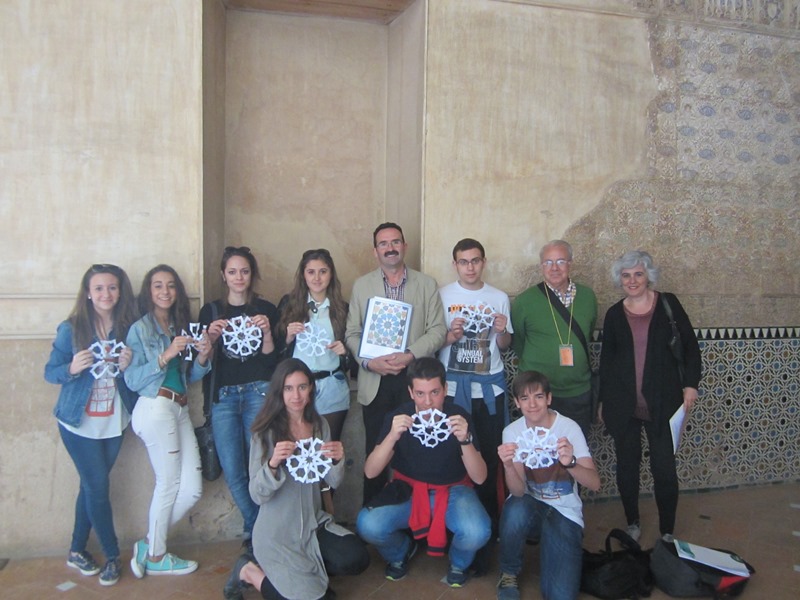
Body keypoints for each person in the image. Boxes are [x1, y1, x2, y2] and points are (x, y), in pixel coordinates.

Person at [222, 358, 369, 600]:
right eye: (288, 388)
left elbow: (332, 481)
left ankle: (307, 577)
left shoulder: (319, 425)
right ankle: (248, 571)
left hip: (313, 523)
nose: (296, 396)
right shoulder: (264, 431)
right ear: (279, 392)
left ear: (311, 388)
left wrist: (336, 460)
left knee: (357, 558)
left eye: (302, 387)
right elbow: (257, 494)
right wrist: (273, 464)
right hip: (277, 533)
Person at [356, 357, 491, 588]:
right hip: (408, 491)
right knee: (368, 525)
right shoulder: (398, 417)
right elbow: (371, 471)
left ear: (445, 389)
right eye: (420, 393)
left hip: (454, 490)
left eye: (435, 392)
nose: (428, 402)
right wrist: (392, 436)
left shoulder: (459, 417)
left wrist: (465, 440)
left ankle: (459, 563)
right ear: (410, 392)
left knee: (477, 531)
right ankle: (401, 551)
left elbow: (480, 477)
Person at [44, 264, 138, 586]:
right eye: (99, 288)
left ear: (120, 291)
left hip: (114, 421)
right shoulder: (71, 329)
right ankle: (112, 555)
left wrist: (129, 364)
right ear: (87, 292)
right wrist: (72, 367)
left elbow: (135, 375)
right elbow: (50, 372)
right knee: (98, 487)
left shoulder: (127, 329)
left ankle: (76, 550)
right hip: (77, 423)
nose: (106, 294)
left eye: (112, 287)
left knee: (90, 486)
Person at [598, 250, 701, 543]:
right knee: (627, 468)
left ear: (648, 276)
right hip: (624, 405)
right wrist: (603, 401)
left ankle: (667, 530)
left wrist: (691, 385)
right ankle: (632, 521)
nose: (632, 281)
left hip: (663, 403)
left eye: (638, 274)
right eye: (626, 275)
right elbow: (607, 362)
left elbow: (691, 348)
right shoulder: (614, 314)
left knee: (664, 470)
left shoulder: (668, 304)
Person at [345, 222, 447, 503]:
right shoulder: (362, 285)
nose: (390, 248)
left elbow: (438, 330)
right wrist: (369, 363)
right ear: (375, 251)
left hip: (414, 381)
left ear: (404, 246)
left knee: (415, 450)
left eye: (395, 242)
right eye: (383, 244)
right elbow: (351, 333)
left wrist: (411, 354)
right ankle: (373, 514)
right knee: (376, 450)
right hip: (375, 382)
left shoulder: (426, 284)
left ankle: (416, 516)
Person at [125, 265, 212, 577]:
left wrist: (204, 355)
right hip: (155, 406)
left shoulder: (180, 325)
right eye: (158, 285)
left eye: (171, 285)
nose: (165, 291)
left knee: (192, 489)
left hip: (180, 407)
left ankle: (150, 544)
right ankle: (157, 556)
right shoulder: (140, 329)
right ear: (149, 291)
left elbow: (191, 376)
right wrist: (165, 355)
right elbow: (132, 379)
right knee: (168, 483)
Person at [199, 246, 279, 550]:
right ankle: (258, 527)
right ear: (223, 275)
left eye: (244, 271)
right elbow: (201, 362)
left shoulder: (266, 309)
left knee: (259, 465)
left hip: (259, 392)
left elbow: (272, 363)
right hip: (223, 397)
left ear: (252, 274)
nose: (239, 277)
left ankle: (256, 533)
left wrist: (267, 333)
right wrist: (211, 338)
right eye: (232, 272)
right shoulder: (210, 311)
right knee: (233, 469)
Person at [438, 238, 512, 567]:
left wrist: (502, 331)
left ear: (484, 262)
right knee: (455, 460)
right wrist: (450, 336)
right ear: (455, 264)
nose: (470, 267)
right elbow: (433, 340)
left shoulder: (499, 297)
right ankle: (458, 529)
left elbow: (505, 345)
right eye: (463, 261)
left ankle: (489, 532)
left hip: (489, 391)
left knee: (490, 462)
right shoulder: (442, 295)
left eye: (475, 260)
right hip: (453, 391)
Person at [496, 371, 601, 600]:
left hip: (564, 511)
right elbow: (518, 491)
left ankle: (553, 547)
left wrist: (570, 463)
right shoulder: (512, 432)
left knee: (561, 596)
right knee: (514, 510)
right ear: (517, 403)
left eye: (538, 397)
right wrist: (509, 466)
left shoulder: (569, 428)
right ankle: (509, 570)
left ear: (549, 398)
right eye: (525, 398)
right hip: (529, 505)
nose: (532, 405)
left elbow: (594, 483)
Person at [511, 240, 597, 441]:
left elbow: (588, 332)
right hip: (537, 395)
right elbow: (519, 342)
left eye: (560, 261)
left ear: (570, 263)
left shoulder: (588, 297)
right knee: (538, 450)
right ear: (541, 266)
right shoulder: (524, 301)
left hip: (577, 391)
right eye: (548, 262)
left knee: (575, 449)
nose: (554, 268)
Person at [277, 249, 350, 442]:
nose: (317, 278)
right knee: (298, 447)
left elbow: (353, 352)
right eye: (311, 272)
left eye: (323, 271)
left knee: (329, 446)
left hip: (332, 384)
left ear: (331, 274)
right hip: (298, 386)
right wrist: (288, 337)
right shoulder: (289, 304)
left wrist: (345, 352)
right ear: (303, 275)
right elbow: (274, 350)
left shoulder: (342, 309)